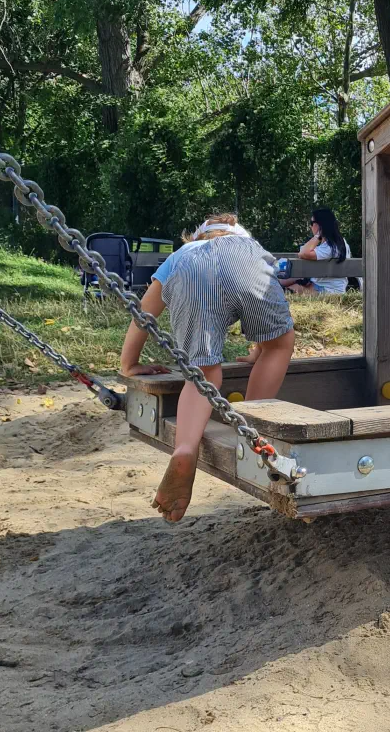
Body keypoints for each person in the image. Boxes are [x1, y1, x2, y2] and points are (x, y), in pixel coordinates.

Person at [120, 214, 295, 524]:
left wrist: (129, 363)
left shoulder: (182, 256)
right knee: (278, 345)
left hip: (192, 277)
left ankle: (185, 449)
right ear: (236, 232)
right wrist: (260, 351)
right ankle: (251, 422)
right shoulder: (247, 246)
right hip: (247, 267)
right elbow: (267, 307)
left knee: (203, 374)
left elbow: (142, 314)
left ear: (197, 238)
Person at [280, 206, 361, 295]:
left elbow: (302, 253)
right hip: (319, 283)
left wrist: (318, 235)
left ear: (320, 225)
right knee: (283, 281)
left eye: (312, 223)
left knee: (287, 291)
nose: (311, 226)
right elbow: (303, 251)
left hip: (328, 289)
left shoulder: (331, 247)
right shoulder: (336, 243)